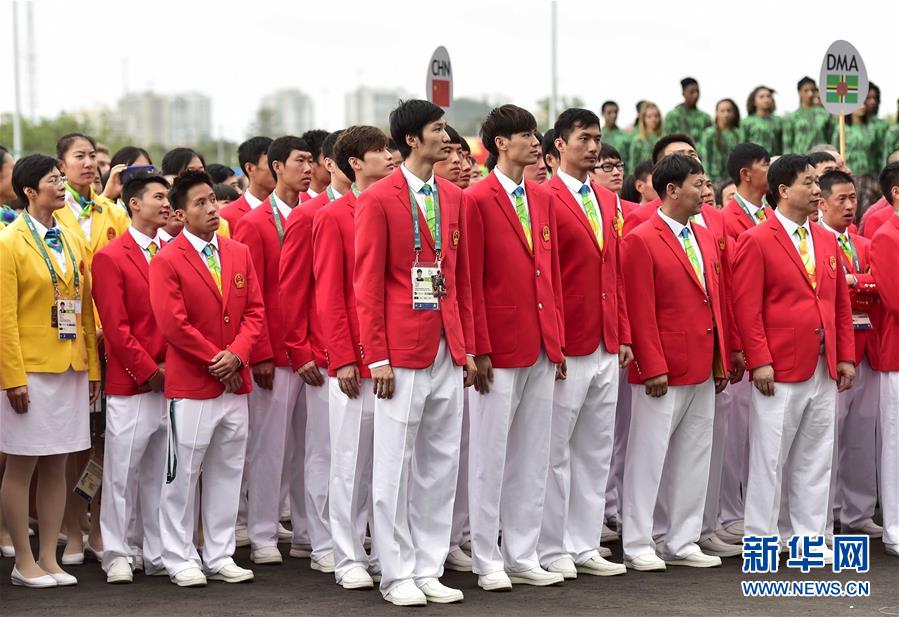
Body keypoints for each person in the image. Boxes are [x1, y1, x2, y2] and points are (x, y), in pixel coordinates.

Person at [353, 99, 476, 606]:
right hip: (400, 352)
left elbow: (460, 280)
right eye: (437, 129)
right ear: (411, 139)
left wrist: (466, 347)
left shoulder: (453, 197)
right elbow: (367, 284)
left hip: (447, 346)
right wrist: (376, 356)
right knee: (393, 465)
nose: (446, 137)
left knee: (441, 462)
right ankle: (396, 571)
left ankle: (428, 566)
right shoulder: (379, 199)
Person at [732, 155, 855, 559]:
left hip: (822, 364)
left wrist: (845, 357)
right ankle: (761, 541)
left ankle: (808, 540)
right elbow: (746, 307)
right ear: (783, 190)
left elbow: (839, 304)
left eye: (817, 183)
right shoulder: (757, 239)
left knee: (815, 457)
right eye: (809, 183)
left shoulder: (825, 238)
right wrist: (760, 360)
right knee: (769, 459)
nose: (818, 190)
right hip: (779, 366)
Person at [466, 104, 565, 591]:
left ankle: (522, 553)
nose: (535, 142)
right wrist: (479, 347)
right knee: (489, 455)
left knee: (533, 453)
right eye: (526, 135)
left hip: (542, 344)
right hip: (498, 348)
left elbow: (551, 274)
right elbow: (471, 281)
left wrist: (558, 341)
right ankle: (486, 557)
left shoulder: (541, 197)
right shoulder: (477, 198)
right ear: (501, 143)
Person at [149, 170, 265, 586]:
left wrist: (237, 355)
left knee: (228, 468)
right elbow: (173, 325)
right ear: (179, 214)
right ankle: (178, 555)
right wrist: (217, 359)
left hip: (234, 381)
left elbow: (254, 311)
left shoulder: (237, 252)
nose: (212, 208)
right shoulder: (166, 259)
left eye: (212, 201)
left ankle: (219, 553)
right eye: (200, 203)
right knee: (183, 473)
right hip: (194, 384)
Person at [620, 154, 730, 571]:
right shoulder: (642, 238)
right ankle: (637, 541)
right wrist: (652, 364)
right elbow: (640, 306)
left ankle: (681, 539)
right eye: (697, 183)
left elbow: (714, 302)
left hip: (701, 362)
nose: (705, 191)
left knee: (695, 453)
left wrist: (720, 359)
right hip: (662, 366)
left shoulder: (701, 237)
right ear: (671, 190)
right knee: (648, 456)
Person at [539, 107, 631, 578]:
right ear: (559, 144)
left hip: (605, 339)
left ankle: (584, 542)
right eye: (585, 139)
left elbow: (614, 271)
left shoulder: (606, 199)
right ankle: (551, 545)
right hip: (568, 339)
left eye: (598, 139)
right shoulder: (544, 197)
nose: (594, 147)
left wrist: (624, 334)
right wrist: (552, 341)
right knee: (556, 449)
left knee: (596, 447)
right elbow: (545, 277)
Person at [1, 154, 100, 588]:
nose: (62, 186)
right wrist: (12, 377)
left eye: (62, 178)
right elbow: (4, 318)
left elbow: (85, 311)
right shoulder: (9, 242)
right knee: (22, 466)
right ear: (28, 192)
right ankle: (24, 561)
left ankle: (49, 558)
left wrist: (92, 368)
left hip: (71, 367)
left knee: (59, 464)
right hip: (31, 370)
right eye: (53, 180)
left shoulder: (73, 238)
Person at [231, 136, 319, 568]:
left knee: (309, 447)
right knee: (269, 447)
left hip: (311, 349)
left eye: (311, 160)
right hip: (275, 355)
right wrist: (260, 352)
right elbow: (251, 296)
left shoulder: (312, 215)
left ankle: (306, 531)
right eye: (299, 161)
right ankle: (263, 531)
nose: (307, 168)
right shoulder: (255, 222)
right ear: (275, 166)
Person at [312, 125, 395, 589]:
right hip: (354, 364)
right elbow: (331, 294)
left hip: (395, 358)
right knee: (349, 463)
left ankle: (386, 551)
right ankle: (346, 557)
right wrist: (343, 357)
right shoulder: (334, 216)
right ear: (355, 164)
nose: (389, 156)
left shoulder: (399, 207)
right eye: (379, 151)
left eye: (389, 148)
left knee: (389, 466)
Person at [92, 172, 171, 584]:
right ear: (134, 203)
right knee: (122, 472)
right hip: (132, 382)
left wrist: (172, 368)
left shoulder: (173, 251)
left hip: (173, 379)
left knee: (160, 472)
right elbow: (116, 328)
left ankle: (155, 549)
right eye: (158, 196)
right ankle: (118, 551)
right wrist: (148, 370)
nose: (165, 202)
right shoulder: (110, 256)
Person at [279, 132, 342, 570]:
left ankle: (350, 538)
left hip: (363, 355)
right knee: (323, 453)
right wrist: (300, 350)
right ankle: (321, 542)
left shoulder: (373, 207)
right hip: (322, 355)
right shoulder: (309, 215)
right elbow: (291, 290)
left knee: (356, 458)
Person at [817, 170, 883, 540]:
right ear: (821, 203)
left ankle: (857, 513)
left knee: (861, 436)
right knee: (828, 439)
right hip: (834, 352)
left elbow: (877, 284)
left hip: (865, 348)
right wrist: (859, 282)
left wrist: (860, 282)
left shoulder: (862, 242)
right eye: (840, 199)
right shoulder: (817, 242)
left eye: (852, 198)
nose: (848, 205)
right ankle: (824, 517)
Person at [869, 164, 899, 558]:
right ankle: (894, 526)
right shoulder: (886, 236)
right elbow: (894, 298)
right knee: (895, 445)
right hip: (896, 358)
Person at [219, 137, 276, 231]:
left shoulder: (290, 208)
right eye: (270, 164)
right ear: (249, 168)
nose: (277, 169)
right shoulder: (226, 217)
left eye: (278, 163)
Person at [722, 143, 772, 240]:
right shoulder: (725, 220)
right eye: (765, 165)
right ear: (745, 174)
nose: (771, 170)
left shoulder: (772, 215)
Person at [783, 77, 833, 155]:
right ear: (799, 92)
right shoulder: (792, 117)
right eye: (806, 90)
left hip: (821, 158)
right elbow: (787, 145)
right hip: (799, 159)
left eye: (813, 90)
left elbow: (831, 139)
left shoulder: (825, 114)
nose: (810, 94)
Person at [698, 99, 742, 182]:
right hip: (714, 179)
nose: (726, 114)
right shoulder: (709, 133)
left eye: (729, 111)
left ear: (734, 113)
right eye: (722, 111)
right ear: (717, 113)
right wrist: (707, 180)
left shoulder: (738, 133)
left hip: (734, 180)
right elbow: (705, 158)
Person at [836, 104, 880, 178]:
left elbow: (877, 152)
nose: (862, 106)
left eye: (863, 104)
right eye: (858, 104)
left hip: (869, 173)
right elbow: (836, 150)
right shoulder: (842, 128)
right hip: (849, 171)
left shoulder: (871, 128)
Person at [664, 77, 713, 142]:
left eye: (697, 91)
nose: (696, 95)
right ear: (683, 93)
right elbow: (668, 139)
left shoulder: (705, 117)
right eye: (691, 92)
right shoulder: (673, 115)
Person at [741, 86, 782, 156]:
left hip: (775, 161)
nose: (766, 99)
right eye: (761, 97)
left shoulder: (779, 121)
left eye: (768, 96)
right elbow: (742, 145)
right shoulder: (746, 122)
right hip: (754, 161)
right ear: (754, 101)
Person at [600, 101, 632, 171]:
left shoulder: (625, 136)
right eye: (609, 113)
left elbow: (630, 159)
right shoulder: (598, 135)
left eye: (615, 112)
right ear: (603, 113)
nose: (613, 115)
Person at [629, 102, 662, 166]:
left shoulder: (663, 138)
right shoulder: (638, 141)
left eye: (656, 116)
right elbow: (633, 166)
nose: (653, 119)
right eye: (649, 116)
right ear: (643, 119)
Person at [301, 129, 331, 200]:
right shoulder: (296, 203)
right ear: (310, 163)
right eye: (328, 158)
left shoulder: (341, 200)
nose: (334, 164)